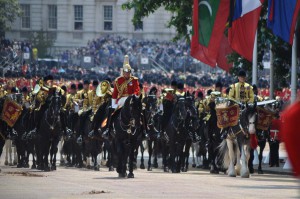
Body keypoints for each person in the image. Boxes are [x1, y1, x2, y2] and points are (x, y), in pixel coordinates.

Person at [102, 55, 140, 139]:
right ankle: (108, 128)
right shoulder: (118, 80)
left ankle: (144, 130)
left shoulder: (134, 80)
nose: (127, 74)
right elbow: (115, 92)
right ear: (123, 72)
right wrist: (113, 103)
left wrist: (134, 95)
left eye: (129, 72)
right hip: (121, 99)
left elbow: (137, 89)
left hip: (131, 98)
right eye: (126, 72)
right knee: (111, 111)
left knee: (142, 110)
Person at [228, 70, 256, 149]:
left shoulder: (249, 86)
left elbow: (252, 97)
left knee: (254, 115)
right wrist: (236, 102)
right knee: (228, 115)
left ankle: (257, 132)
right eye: (241, 77)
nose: (242, 78)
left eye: (243, 77)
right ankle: (226, 131)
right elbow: (230, 96)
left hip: (246, 105)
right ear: (238, 78)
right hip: (237, 106)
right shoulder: (234, 86)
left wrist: (248, 103)